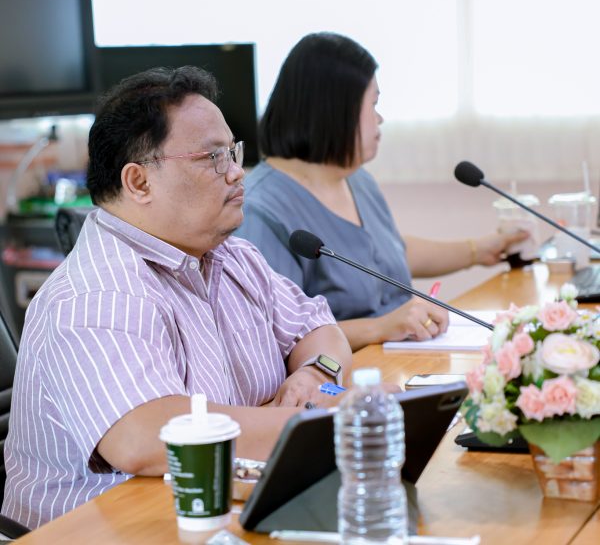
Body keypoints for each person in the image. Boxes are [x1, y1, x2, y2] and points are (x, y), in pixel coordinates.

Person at [2, 66, 351, 529]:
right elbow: (145, 438)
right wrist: (332, 422)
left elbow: (319, 328)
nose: (237, 172)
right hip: (98, 531)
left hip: (219, 508)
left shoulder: (232, 256)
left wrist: (315, 374)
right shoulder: (94, 293)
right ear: (139, 182)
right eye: (213, 158)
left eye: (233, 152)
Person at [236, 32, 527, 352]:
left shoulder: (356, 179)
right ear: (336, 111)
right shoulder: (261, 212)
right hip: (345, 373)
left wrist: (478, 250)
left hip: (405, 361)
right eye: (373, 104)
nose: (380, 119)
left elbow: (390, 256)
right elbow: (272, 337)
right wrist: (380, 328)